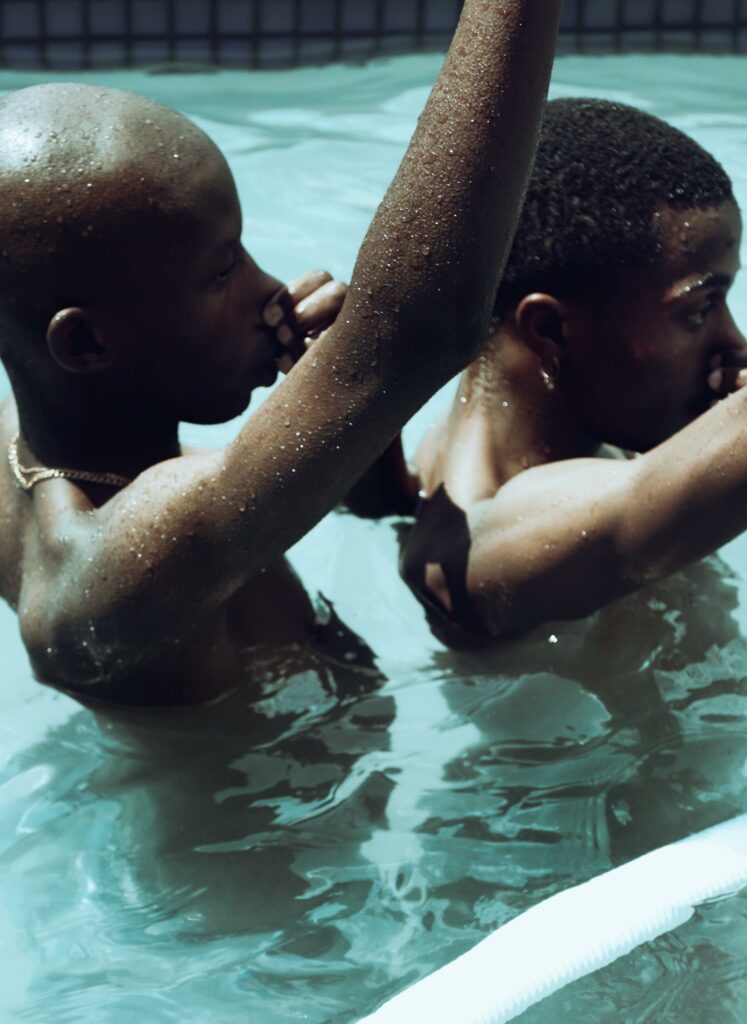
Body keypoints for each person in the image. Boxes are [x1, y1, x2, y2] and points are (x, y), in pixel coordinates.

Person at [0, 0, 564, 705]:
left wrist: (339, 402)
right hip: (278, 812)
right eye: (222, 270)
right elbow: (422, 335)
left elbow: (376, 502)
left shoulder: (31, 439)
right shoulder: (113, 571)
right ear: (85, 343)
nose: (269, 287)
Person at [400, 98, 747, 641]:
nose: (733, 341)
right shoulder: (492, 544)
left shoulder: (447, 447)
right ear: (551, 331)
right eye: (698, 311)